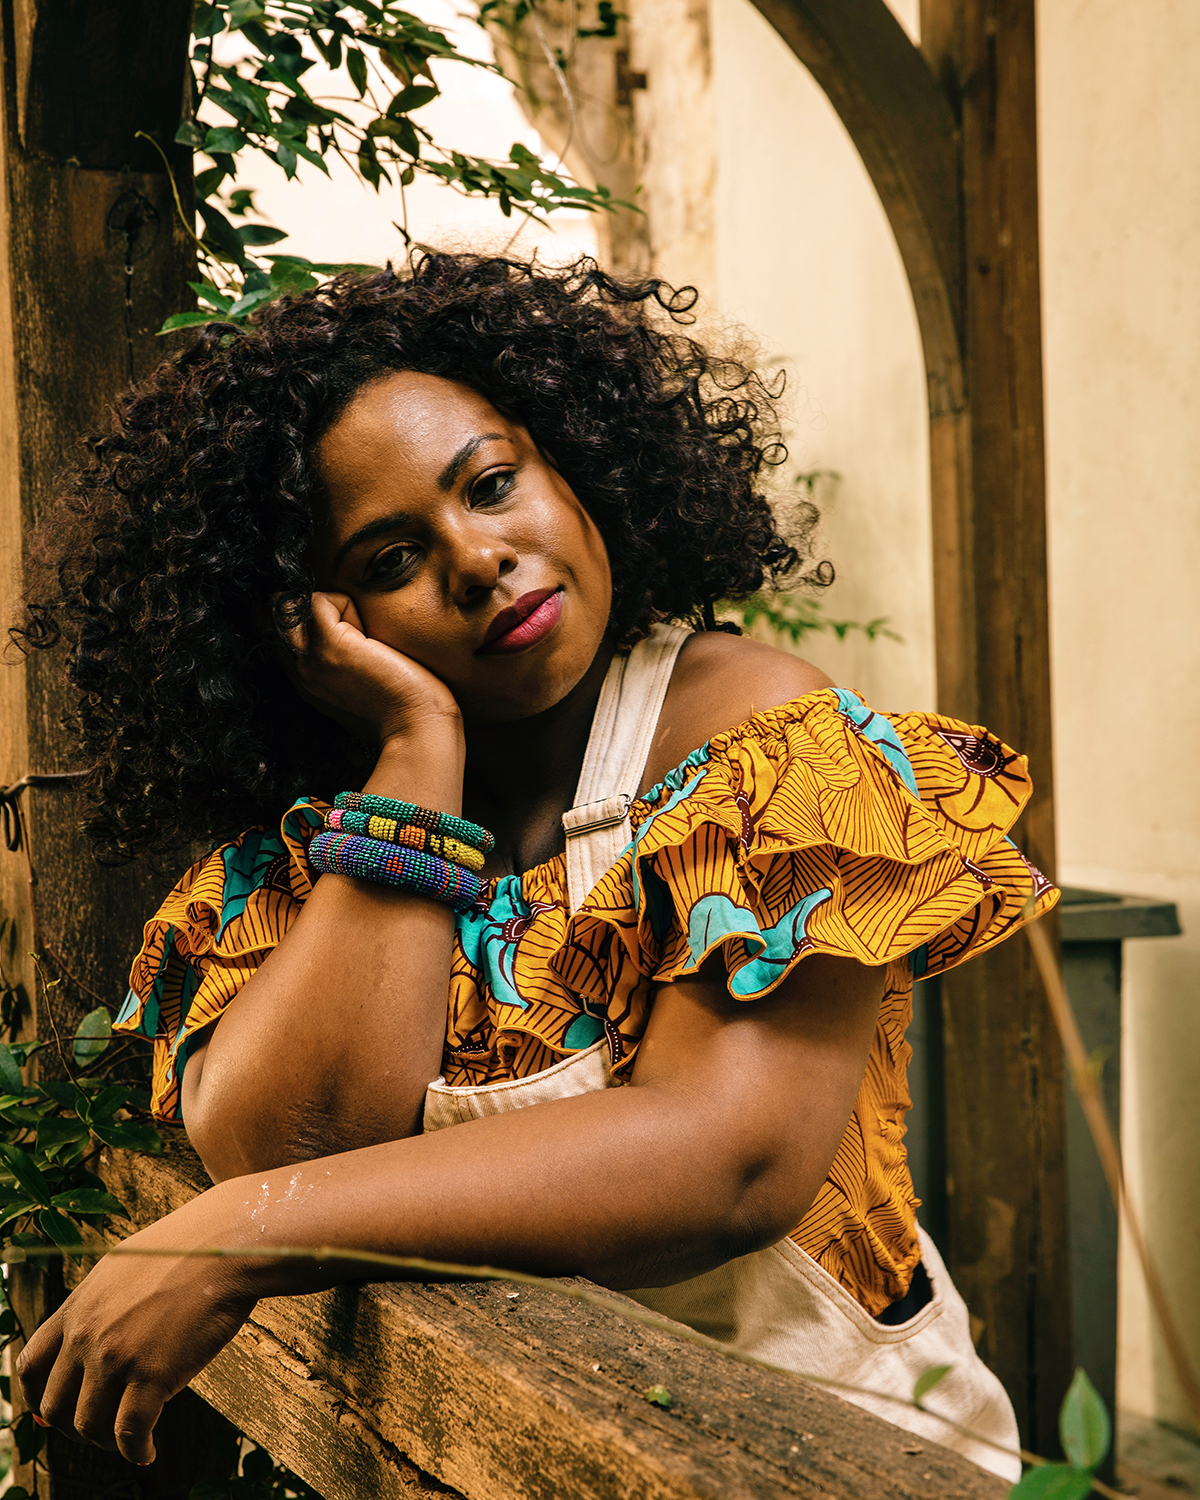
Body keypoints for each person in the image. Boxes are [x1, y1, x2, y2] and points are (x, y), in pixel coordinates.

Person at [10, 253, 1053, 1479]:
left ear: (577, 465)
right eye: (388, 561)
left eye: (493, 484)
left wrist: (242, 1233)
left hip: (834, 1466)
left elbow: (729, 1161)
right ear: (309, 633)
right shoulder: (320, 855)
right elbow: (286, 1149)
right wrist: (419, 746)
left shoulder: (753, 734)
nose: (478, 558)